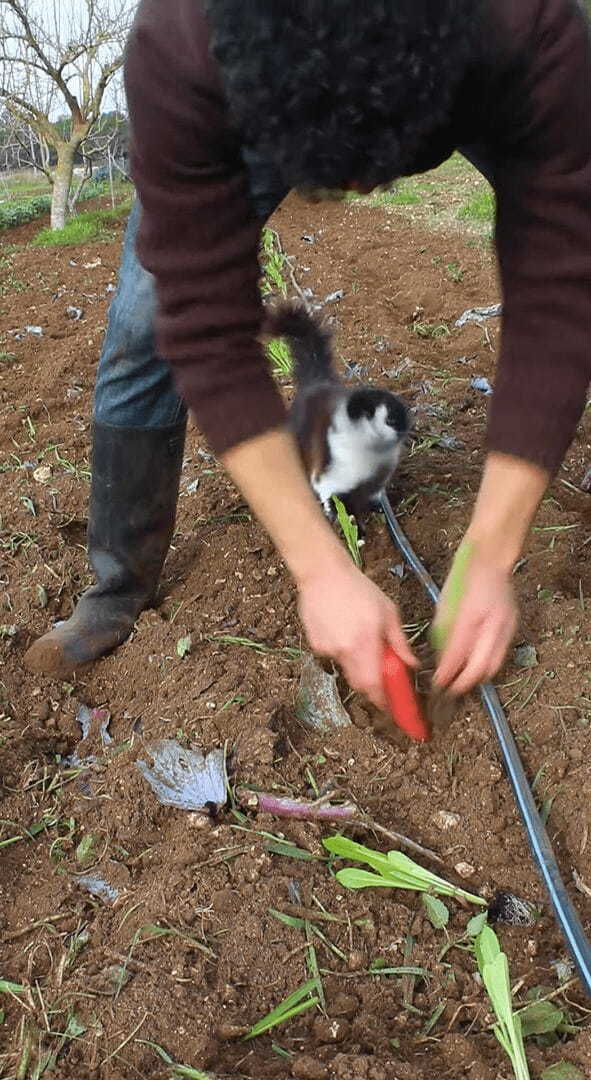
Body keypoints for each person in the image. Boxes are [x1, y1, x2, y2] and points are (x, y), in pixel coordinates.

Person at [24, 0, 591, 711]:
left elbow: (559, 291)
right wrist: (319, 570)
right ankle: (116, 587)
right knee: (144, 324)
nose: (358, 196)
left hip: (460, 79)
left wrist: (489, 555)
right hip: (259, 91)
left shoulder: (525, 26)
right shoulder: (180, 40)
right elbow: (204, 320)